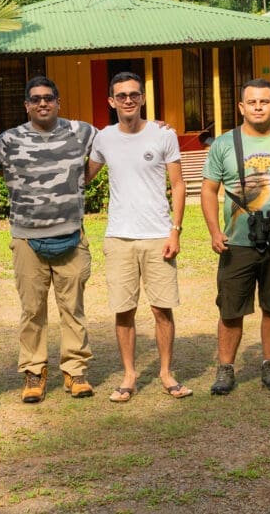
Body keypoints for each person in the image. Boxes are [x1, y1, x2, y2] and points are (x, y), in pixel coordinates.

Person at [0, 76, 97, 404]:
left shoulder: (82, 133)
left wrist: (154, 128)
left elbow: (120, 141)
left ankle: (75, 370)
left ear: (58, 101)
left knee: (72, 308)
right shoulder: (7, 141)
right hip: (27, 240)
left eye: (48, 98)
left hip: (71, 236)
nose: (42, 103)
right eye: (35, 99)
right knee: (32, 309)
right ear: (26, 105)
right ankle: (34, 372)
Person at [87, 72, 192, 402]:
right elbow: (83, 178)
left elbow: (178, 185)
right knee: (124, 310)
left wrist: (174, 231)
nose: (128, 100)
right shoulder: (103, 138)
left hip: (158, 235)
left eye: (134, 94)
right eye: (121, 95)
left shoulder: (163, 134)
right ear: (111, 101)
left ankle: (165, 372)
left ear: (143, 98)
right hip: (119, 236)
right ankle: (129, 375)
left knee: (162, 309)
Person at [201, 78, 270, 394]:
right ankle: (225, 369)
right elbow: (208, 189)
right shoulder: (223, 144)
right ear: (242, 107)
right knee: (231, 308)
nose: (258, 107)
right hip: (236, 242)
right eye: (252, 102)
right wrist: (215, 231)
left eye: (264, 101)